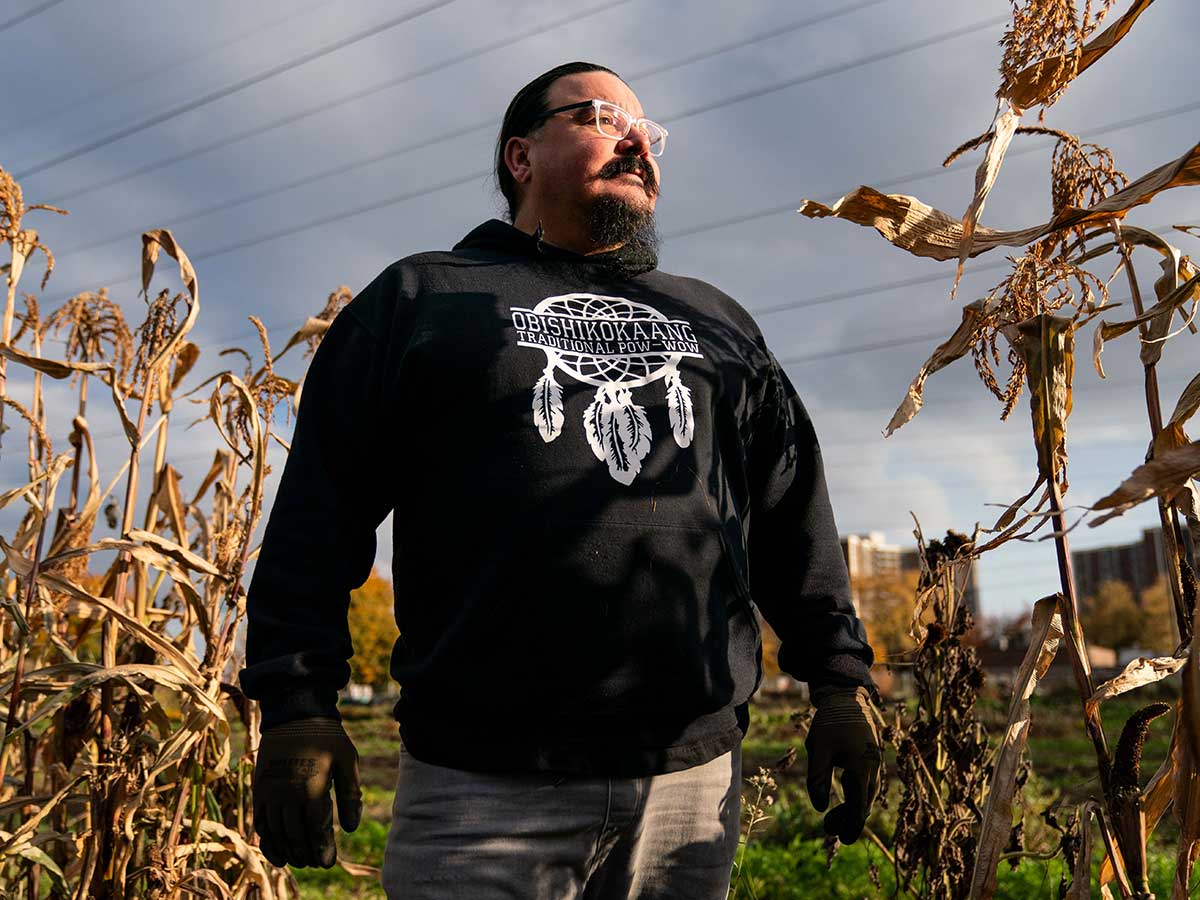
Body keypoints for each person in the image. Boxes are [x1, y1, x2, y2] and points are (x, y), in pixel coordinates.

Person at [237, 60, 883, 899]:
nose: (636, 140)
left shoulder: (716, 320)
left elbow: (791, 508)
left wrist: (840, 681)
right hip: (483, 794)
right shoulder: (421, 299)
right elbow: (318, 515)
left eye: (648, 131)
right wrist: (298, 707)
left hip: (690, 790)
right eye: (601, 115)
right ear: (520, 155)